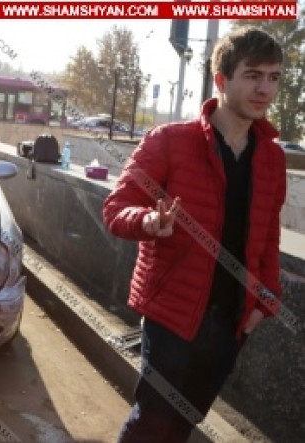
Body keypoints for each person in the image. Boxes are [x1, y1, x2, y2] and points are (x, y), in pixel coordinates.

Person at [103, 26, 286, 442]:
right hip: (173, 314)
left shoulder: (272, 158)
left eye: (273, 77)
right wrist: (147, 221)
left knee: (186, 421)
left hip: (233, 320)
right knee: (152, 423)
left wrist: (266, 302)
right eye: (253, 75)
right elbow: (116, 208)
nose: (264, 89)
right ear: (221, 80)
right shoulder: (170, 141)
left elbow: (268, 238)